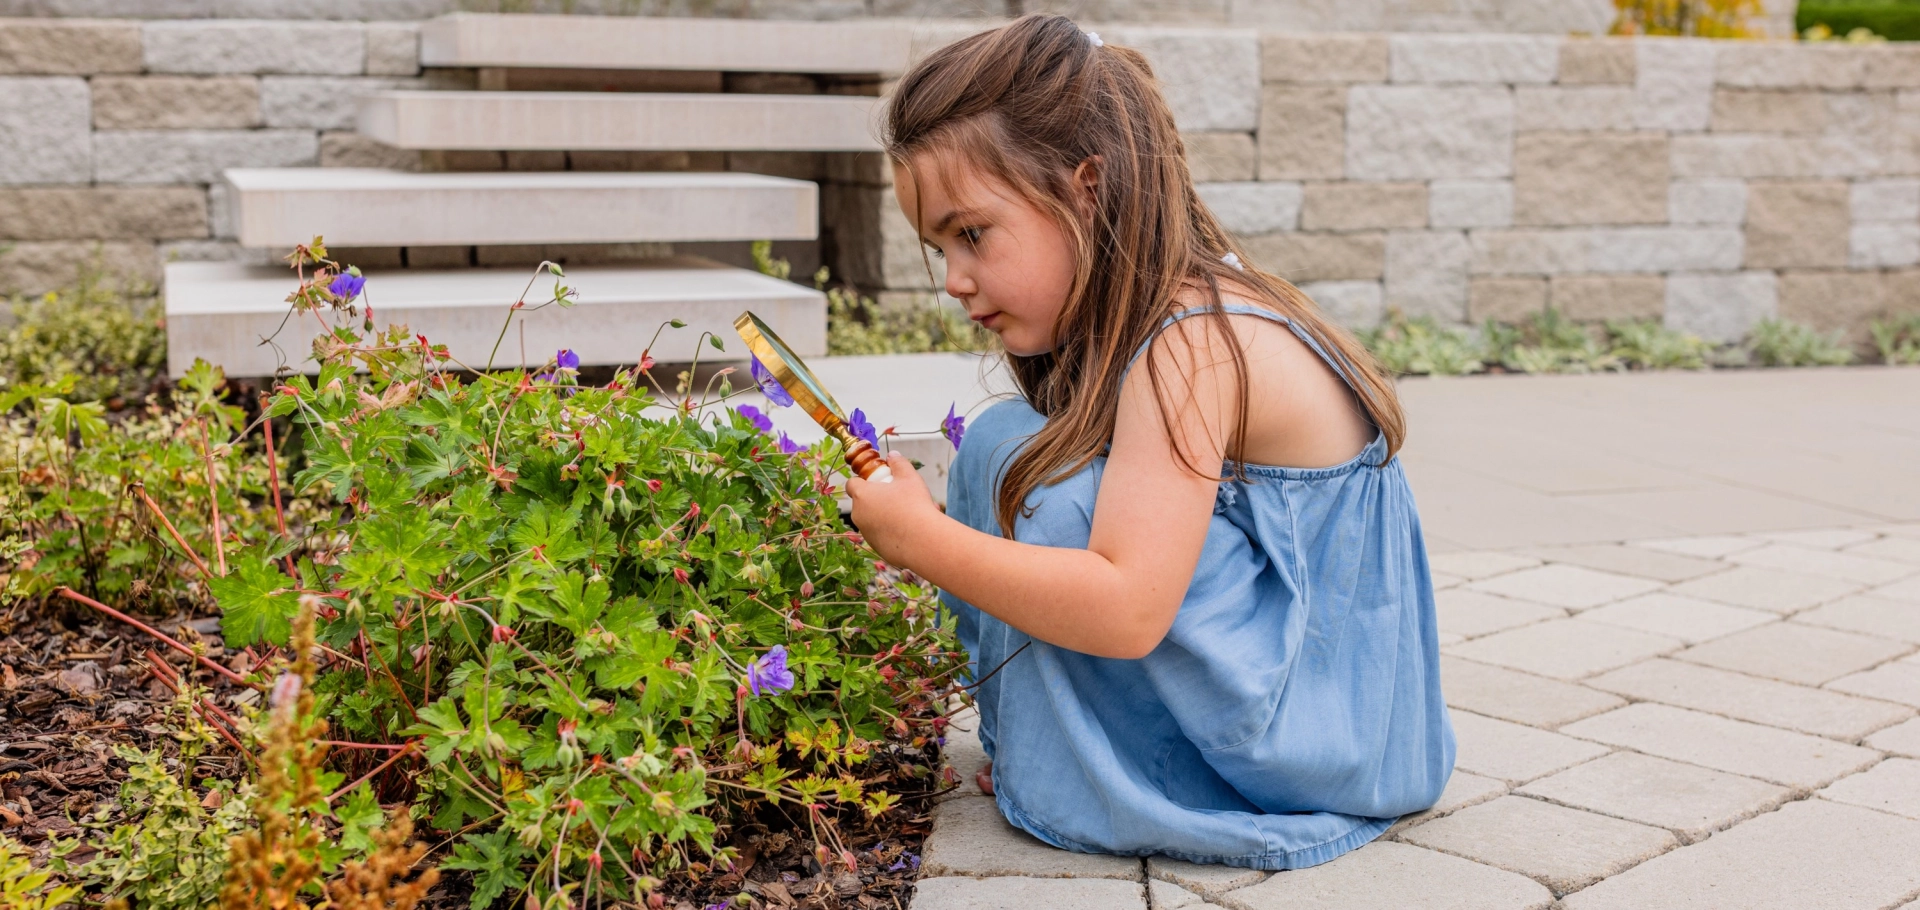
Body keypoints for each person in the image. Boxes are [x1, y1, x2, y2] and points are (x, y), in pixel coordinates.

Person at [843, 15, 1454, 871]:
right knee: (1000, 443)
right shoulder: (1154, 305)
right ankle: (1040, 740)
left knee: (1045, 494)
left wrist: (920, 540)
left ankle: (1103, 777)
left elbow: (1128, 609)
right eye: (937, 246)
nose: (954, 278)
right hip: (1295, 693)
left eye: (972, 233)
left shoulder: (1193, 336)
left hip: (1323, 736)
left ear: (1085, 189)